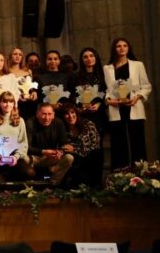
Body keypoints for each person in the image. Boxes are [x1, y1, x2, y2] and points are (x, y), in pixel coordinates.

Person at [103, 37, 151, 169]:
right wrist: (108, 100)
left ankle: (141, 172)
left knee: (138, 141)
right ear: (114, 49)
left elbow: (146, 86)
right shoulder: (107, 68)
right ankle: (119, 173)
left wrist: (137, 97)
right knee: (118, 143)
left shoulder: (138, 65)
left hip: (133, 106)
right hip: (116, 108)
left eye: (125, 45)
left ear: (128, 48)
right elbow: (107, 90)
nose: (122, 48)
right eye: (118, 46)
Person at [0, 92, 34, 187]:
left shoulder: (20, 121)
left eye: (10, 102)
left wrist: (16, 157)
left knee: (30, 173)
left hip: (15, 158)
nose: (8, 105)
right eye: (5, 102)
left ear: (14, 104)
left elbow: (23, 143)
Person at [26, 103, 74, 187]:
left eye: (49, 114)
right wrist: (44, 152)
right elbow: (26, 147)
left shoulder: (59, 123)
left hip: (51, 157)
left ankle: (52, 184)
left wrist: (61, 152)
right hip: (33, 157)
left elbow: (63, 143)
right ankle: (27, 184)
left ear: (53, 115)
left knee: (69, 158)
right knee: (22, 158)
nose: (47, 118)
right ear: (37, 114)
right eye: (44, 114)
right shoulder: (30, 123)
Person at [61, 104, 102, 187]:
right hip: (75, 160)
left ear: (76, 113)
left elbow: (95, 146)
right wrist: (74, 150)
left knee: (97, 154)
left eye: (72, 112)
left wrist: (75, 150)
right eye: (66, 114)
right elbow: (64, 147)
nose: (70, 116)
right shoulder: (63, 129)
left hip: (90, 158)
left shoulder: (88, 124)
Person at [75, 47, 107, 132]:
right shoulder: (75, 77)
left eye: (91, 56)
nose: (89, 59)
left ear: (96, 57)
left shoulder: (103, 75)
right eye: (85, 57)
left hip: (100, 114)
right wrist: (82, 106)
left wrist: (99, 104)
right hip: (83, 115)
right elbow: (73, 95)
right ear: (82, 60)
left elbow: (107, 93)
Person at [8, 47, 38, 120]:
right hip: (14, 104)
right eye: (15, 54)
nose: (17, 56)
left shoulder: (28, 71)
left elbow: (30, 87)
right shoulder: (6, 72)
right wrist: (17, 96)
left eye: (20, 54)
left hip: (28, 103)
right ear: (10, 56)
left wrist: (34, 92)